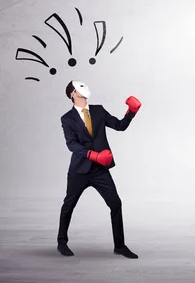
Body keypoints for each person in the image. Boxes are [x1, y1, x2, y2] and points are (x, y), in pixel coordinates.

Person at [56, 80, 142, 259]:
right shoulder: (67, 118)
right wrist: (92, 155)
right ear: (73, 93)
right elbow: (71, 144)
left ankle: (120, 246)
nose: (84, 88)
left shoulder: (98, 110)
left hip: (100, 170)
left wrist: (131, 112)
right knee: (68, 205)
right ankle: (62, 243)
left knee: (115, 204)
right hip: (79, 171)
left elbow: (120, 126)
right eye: (79, 87)